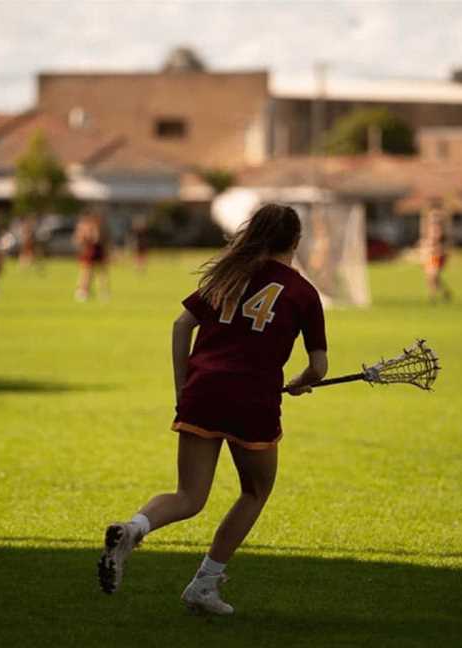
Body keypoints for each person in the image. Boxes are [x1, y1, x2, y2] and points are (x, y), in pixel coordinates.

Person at [97, 203, 329, 615]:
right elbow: (318, 366)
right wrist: (300, 382)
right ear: (295, 241)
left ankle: (134, 528)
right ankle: (203, 584)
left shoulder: (229, 275)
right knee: (255, 491)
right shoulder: (302, 292)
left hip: (202, 392)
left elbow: (180, 324)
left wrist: (183, 387)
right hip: (253, 401)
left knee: (188, 495)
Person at [73, 210, 110, 301]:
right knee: (87, 271)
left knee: (100, 272)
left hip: (96, 249)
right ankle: (83, 291)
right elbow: (79, 239)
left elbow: (99, 238)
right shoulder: (85, 225)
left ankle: (102, 292)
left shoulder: (95, 225)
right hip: (89, 249)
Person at [422, 203, 452, 303]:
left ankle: (432, 297)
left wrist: (438, 249)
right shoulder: (429, 230)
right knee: (430, 278)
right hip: (430, 255)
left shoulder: (440, 232)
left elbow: (442, 245)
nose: (433, 220)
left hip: (438, 255)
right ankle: (445, 292)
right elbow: (427, 240)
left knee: (433, 275)